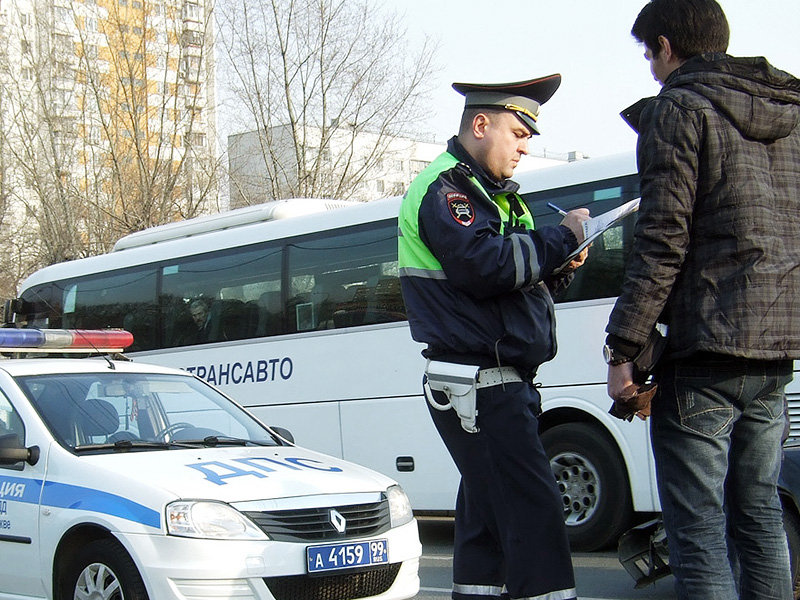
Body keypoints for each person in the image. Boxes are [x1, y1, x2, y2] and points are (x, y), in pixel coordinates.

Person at [604, 1, 800, 598]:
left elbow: (662, 239)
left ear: (667, 46)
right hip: (775, 352)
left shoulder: (679, 109)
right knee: (760, 514)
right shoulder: (791, 113)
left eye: (649, 54)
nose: (651, 68)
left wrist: (624, 347)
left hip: (705, 352)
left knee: (698, 530)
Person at [398, 75, 590, 600]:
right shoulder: (448, 190)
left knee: (486, 520)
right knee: (535, 516)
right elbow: (484, 267)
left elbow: (516, 282)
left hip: (493, 381)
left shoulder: (498, 197)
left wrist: (561, 262)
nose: (526, 147)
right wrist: (561, 238)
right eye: (518, 133)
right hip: (481, 382)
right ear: (481, 125)